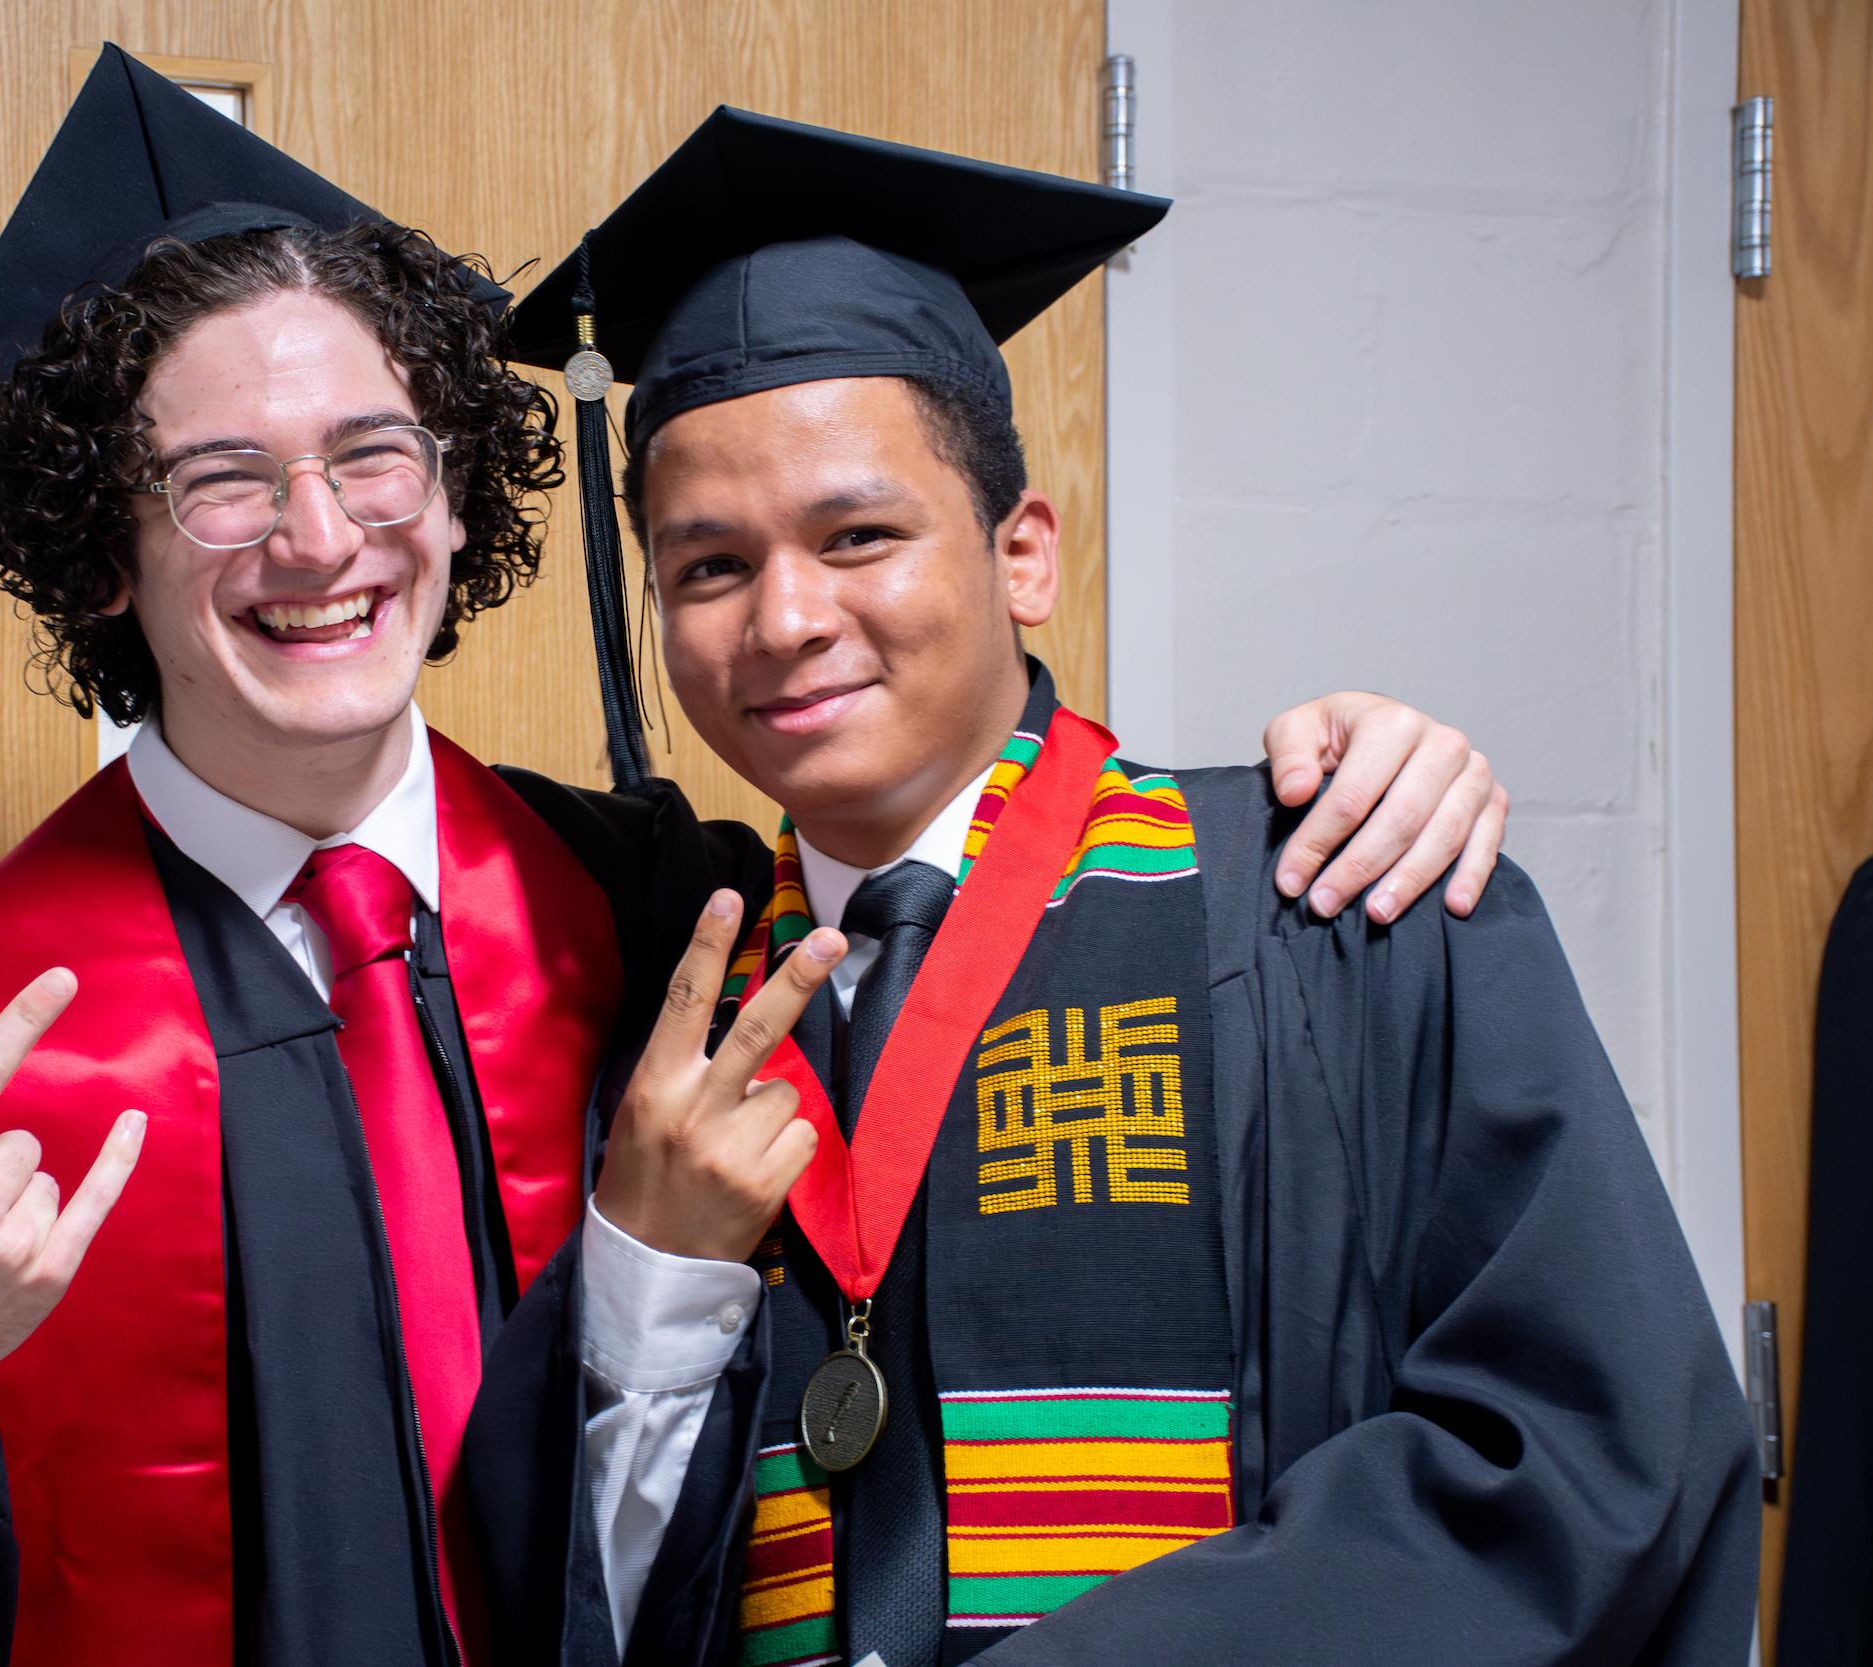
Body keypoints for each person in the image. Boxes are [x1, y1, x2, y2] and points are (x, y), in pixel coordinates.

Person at [0, 56, 1517, 1667]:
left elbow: (962, 832)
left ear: (452, 501)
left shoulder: (662, 906)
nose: (316, 536)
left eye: (375, 456)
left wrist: (1341, 765)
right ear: (102, 555)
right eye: (217, 482)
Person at [472, 107, 1758, 1667]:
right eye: (710, 568)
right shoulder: (686, 1032)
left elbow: (1583, 1461)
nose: (785, 618)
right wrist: (651, 1285)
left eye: (858, 534)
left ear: (1023, 554)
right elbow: (565, 1593)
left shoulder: (1340, 898)